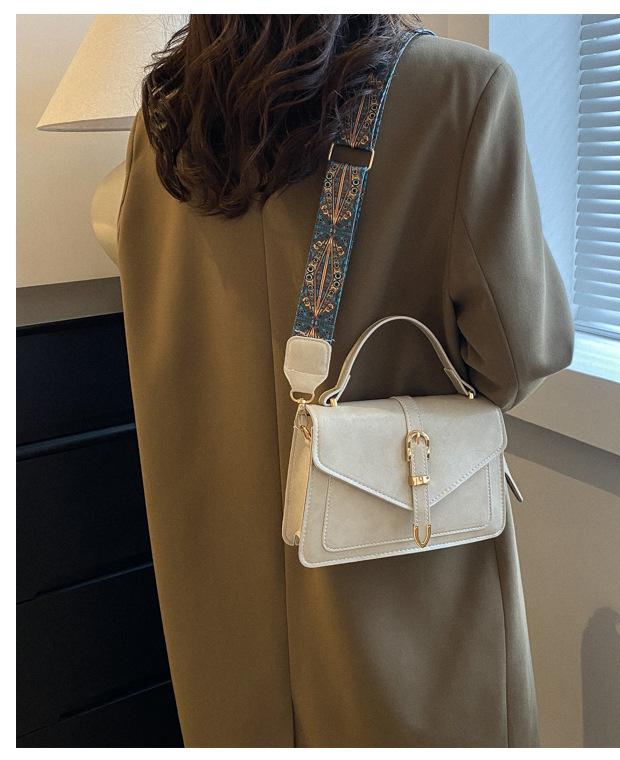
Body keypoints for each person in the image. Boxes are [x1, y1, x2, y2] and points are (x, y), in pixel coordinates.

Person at [111, 14, 574, 747]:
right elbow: (518, 356)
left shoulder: (165, 126)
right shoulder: (459, 90)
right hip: (399, 587)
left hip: (218, 600)